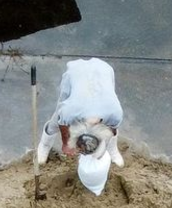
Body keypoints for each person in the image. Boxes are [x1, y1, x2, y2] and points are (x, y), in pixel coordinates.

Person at [36, 58, 125, 194]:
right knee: (54, 121)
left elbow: (112, 130)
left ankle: (113, 150)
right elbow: (62, 123)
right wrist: (66, 144)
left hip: (103, 71)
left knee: (110, 134)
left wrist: (103, 148)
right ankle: (44, 145)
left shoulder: (115, 112)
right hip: (76, 74)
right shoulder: (70, 110)